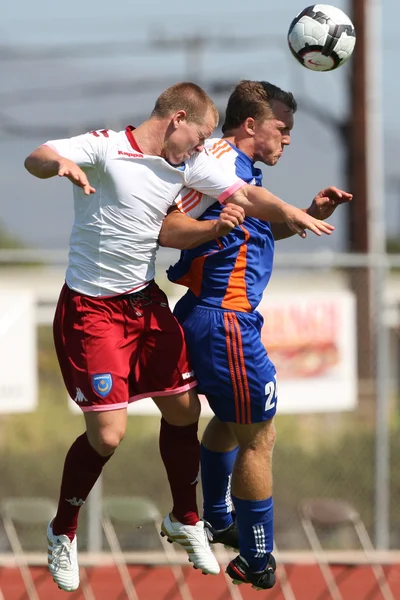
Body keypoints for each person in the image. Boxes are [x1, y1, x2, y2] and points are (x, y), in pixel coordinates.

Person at [24, 81, 335, 592]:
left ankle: (187, 518)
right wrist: (57, 165)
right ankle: (63, 530)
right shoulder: (106, 146)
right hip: (91, 310)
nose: (203, 148)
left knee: (187, 410)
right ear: (178, 118)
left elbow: (244, 195)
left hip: (144, 303)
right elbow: (38, 155)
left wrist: (292, 213)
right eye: (200, 135)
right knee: (109, 436)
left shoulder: (188, 164)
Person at [158, 80, 352, 590]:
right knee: (260, 436)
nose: (287, 139)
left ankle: (219, 516)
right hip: (225, 319)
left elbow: (254, 223)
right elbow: (176, 212)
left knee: (231, 419)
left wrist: (304, 213)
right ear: (250, 125)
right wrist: (286, 208)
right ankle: (256, 554)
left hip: (213, 315)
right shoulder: (220, 159)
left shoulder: (237, 176)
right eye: (281, 128)